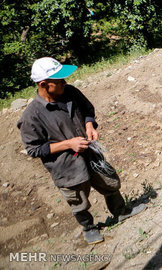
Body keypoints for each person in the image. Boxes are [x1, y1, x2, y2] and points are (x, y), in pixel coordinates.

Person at [17, 57, 146, 244]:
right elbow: (34, 149)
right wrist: (68, 144)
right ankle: (89, 228)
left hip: (90, 155)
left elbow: (87, 110)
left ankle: (121, 211)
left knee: (109, 182)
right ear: (44, 84)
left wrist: (89, 125)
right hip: (66, 167)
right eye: (59, 81)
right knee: (78, 200)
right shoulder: (31, 116)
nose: (64, 83)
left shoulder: (70, 92)